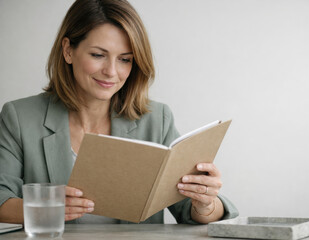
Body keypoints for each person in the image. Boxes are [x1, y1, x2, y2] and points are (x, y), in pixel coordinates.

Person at [0, 0, 238, 224]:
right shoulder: (19, 117)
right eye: (98, 55)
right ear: (68, 51)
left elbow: (188, 210)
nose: (112, 72)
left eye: (125, 59)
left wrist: (204, 203)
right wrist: (44, 207)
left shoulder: (157, 120)